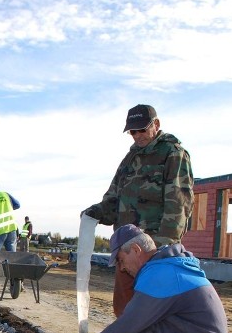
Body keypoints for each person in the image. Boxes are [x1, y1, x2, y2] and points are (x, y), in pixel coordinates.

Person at [72, 225, 227, 333]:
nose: (121, 268)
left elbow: (128, 324)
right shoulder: (167, 266)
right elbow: (145, 322)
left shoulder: (161, 274)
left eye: (121, 260)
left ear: (136, 250)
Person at [82, 104, 193, 317]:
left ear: (156, 125)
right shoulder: (130, 159)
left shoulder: (173, 154)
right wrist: (94, 212)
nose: (137, 136)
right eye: (132, 132)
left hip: (154, 252)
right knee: (124, 309)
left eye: (142, 129)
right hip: (127, 251)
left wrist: (162, 249)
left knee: (152, 312)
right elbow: (113, 199)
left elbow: (178, 204)